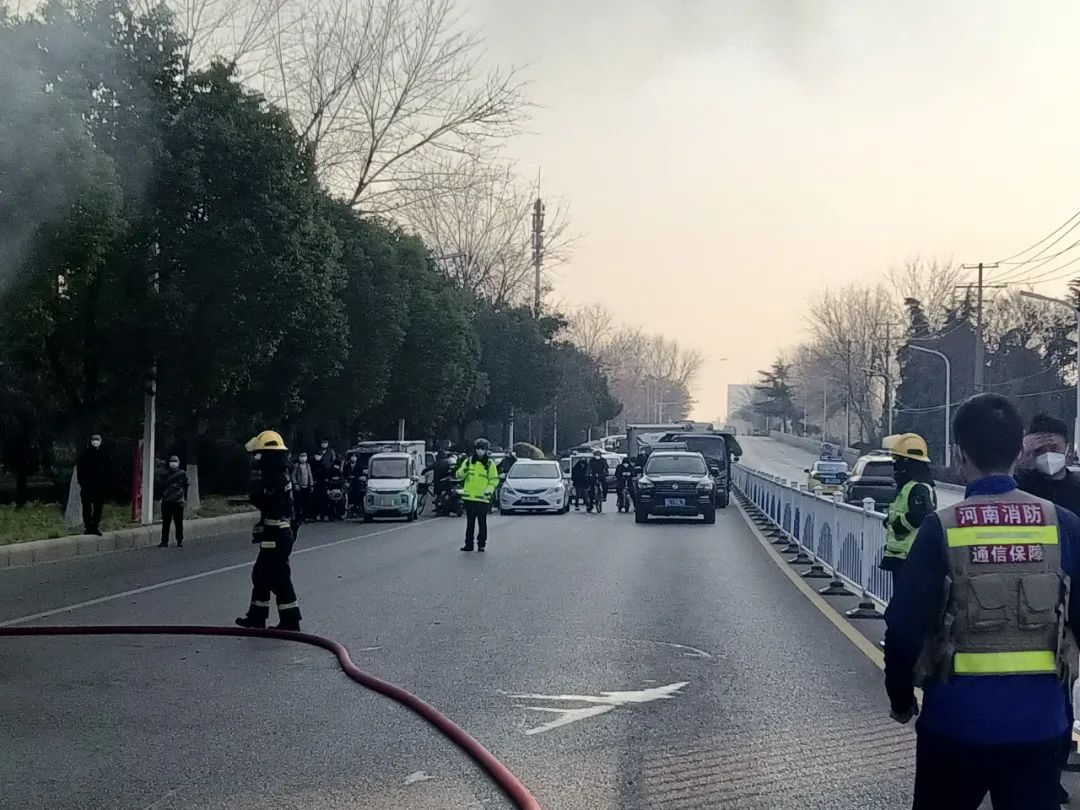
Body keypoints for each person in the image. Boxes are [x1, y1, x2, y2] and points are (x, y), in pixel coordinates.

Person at [884, 393, 1080, 810]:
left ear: (959, 455)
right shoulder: (1062, 524)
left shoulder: (941, 528)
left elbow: (904, 627)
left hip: (955, 725)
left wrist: (900, 697)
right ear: (1018, 452)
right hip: (1041, 727)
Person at [1015, 413, 1080, 806]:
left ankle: (1049, 776)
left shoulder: (1077, 489)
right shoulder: (1016, 487)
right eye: (1038, 448)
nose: (1047, 455)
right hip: (1016, 608)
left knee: (1059, 703)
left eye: (1053, 447)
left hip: (1065, 614)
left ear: (1067, 447)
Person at [236, 430, 301, 632]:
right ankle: (257, 617)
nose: (257, 460)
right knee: (261, 576)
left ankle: (290, 621)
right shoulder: (276, 477)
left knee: (279, 578)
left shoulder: (275, 481)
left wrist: (268, 536)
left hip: (277, 536)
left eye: (259, 455)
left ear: (268, 456)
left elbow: (274, 510)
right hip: (276, 535)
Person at [878, 433, 937, 586]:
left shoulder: (919, 488)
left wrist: (897, 525)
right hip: (901, 557)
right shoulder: (909, 486)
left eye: (897, 459)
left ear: (907, 462)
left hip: (911, 558)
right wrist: (889, 521)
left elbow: (920, 515)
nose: (894, 464)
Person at [455, 438, 499, 552]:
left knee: (482, 523)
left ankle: (481, 544)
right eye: (478, 448)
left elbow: (494, 480)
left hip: (483, 498)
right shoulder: (469, 461)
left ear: (486, 450)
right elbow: (459, 475)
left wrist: (489, 490)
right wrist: (464, 470)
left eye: (482, 448)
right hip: (469, 498)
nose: (480, 450)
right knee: (470, 523)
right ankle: (469, 544)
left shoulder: (489, 464)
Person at [76, 432, 107, 536]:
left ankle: (95, 527)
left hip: (100, 486)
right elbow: (80, 469)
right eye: (94, 440)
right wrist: (82, 483)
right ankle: (88, 527)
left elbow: (108, 469)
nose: (95, 442)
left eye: (97, 440)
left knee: (98, 508)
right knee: (87, 507)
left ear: (101, 441)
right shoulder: (85, 454)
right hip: (87, 486)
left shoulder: (103, 454)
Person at [158, 455, 189, 548]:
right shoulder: (166, 474)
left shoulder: (182, 474)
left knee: (178, 523)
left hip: (177, 501)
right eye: (172, 461)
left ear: (178, 463)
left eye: (175, 461)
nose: (173, 463)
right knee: (166, 523)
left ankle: (179, 541)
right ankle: (165, 541)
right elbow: (161, 485)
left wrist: (184, 498)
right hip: (168, 501)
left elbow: (186, 485)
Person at [291, 451, 314, 525]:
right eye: (302, 456)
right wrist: (295, 484)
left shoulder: (308, 465)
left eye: (304, 456)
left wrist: (311, 485)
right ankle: (298, 518)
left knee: (306, 503)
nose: (303, 458)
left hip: (306, 486)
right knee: (298, 503)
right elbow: (293, 476)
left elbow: (310, 475)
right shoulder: (297, 465)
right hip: (299, 487)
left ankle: (305, 517)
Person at [311, 450, 328, 521]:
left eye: (319, 455)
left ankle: (324, 514)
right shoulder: (311, 463)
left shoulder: (323, 464)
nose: (317, 456)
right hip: (314, 484)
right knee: (316, 500)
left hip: (322, 484)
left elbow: (325, 474)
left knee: (323, 499)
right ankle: (316, 514)